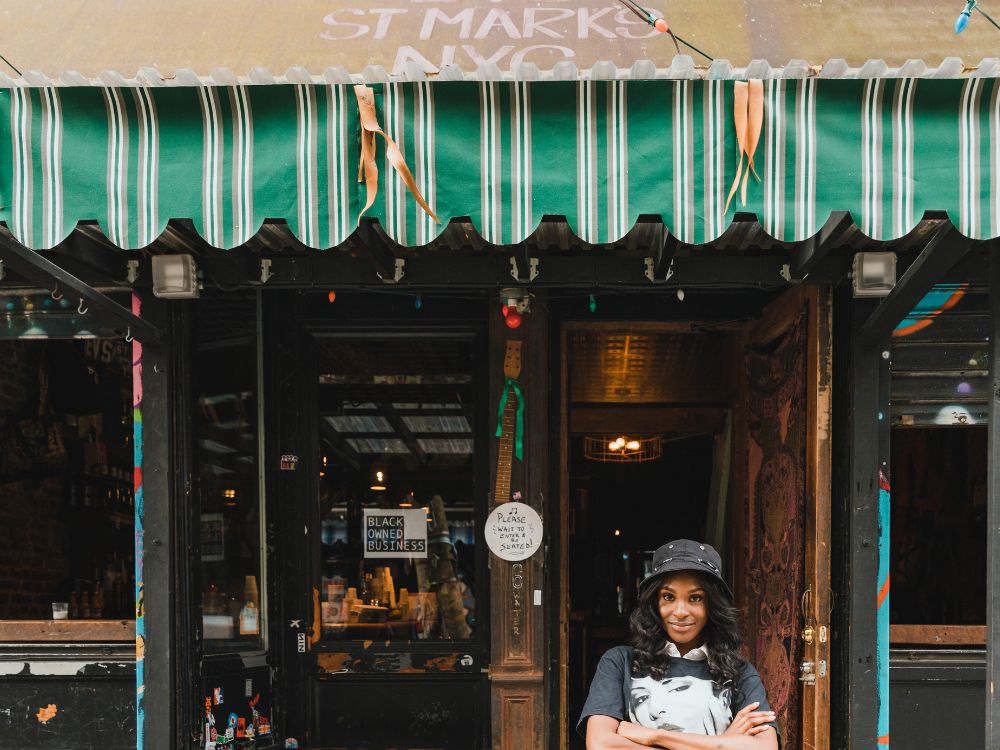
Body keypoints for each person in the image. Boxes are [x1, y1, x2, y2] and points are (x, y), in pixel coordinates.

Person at [578, 539, 780, 749]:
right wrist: (722, 743)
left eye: (695, 598)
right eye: (668, 596)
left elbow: (765, 747)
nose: (681, 612)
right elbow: (600, 744)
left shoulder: (740, 673)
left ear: (713, 605)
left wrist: (654, 737)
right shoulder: (620, 662)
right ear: (654, 603)